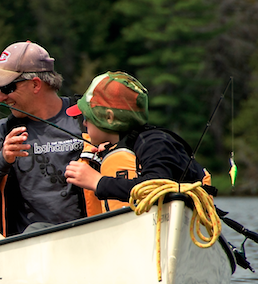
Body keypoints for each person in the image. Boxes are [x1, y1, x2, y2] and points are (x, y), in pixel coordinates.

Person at [0, 41, 86, 236]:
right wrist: (1, 160)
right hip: (27, 249)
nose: (0, 98)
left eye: (7, 88)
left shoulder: (87, 120)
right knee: (36, 231)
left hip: (91, 240)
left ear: (35, 84)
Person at [64, 71, 213, 215]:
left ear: (109, 118)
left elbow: (157, 185)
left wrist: (98, 182)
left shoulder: (155, 143)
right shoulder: (122, 145)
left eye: (87, 117)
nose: (84, 123)